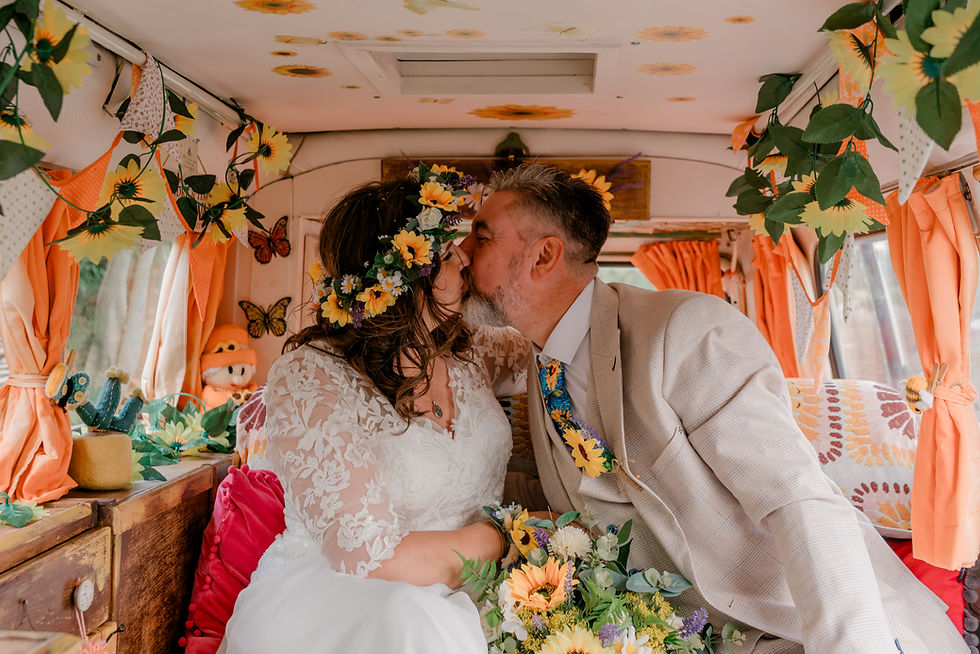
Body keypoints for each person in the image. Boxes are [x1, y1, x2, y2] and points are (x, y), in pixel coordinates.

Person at [459, 162, 968, 654]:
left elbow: (798, 500)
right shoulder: (540, 365)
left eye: (480, 237)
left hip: (799, 627)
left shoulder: (684, 331)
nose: (460, 254)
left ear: (544, 257)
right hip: (676, 635)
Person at [220, 166, 531, 653]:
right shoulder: (310, 376)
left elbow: (554, 340)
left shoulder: (475, 351)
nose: (466, 262)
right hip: (354, 603)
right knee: (409, 620)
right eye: (449, 254)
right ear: (407, 275)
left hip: (476, 594)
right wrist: (509, 535)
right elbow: (368, 556)